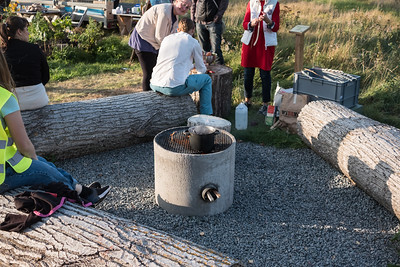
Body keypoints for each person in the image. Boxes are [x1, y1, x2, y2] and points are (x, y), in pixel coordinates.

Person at [0, 51, 110, 205]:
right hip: (3, 175)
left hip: (6, 161)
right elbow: (24, 145)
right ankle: (82, 195)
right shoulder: (4, 97)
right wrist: (34, 160)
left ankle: (79, 188)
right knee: (46, 170)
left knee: (45, 163)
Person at [150, 18, 213, 115]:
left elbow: (174, 62)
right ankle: (206, 115)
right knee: (207, 80)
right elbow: (201, 69)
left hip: (154, 83)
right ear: (192, 30)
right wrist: (201, 68)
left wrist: (192, 66)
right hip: (172, 87)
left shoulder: (167, 39)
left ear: (178, 30)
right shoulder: (193, 42)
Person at [128, 0, 192, 91]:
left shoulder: (175, 16)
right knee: (149, 72)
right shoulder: (165, 11)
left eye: (187, 7)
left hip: (154, 42)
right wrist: (169, 52)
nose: (184, 8)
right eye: (183, 4)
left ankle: (154, 95)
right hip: (143, 40)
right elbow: (159, 36)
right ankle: (146, 98)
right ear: (176, 1)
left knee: (157, 70)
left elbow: (172, 36)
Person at [0, 16, 50, 111]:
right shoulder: (35, 49)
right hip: (39, 100)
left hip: (13, 103)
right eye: (26, 30)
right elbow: (46, 76)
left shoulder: (2, 52)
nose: (28, 33)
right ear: (19, 31)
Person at [241, 0, 280, 115]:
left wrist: (268, 21)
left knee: (265, 74)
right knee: (248, 73)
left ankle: (265, 104)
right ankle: (247, 100)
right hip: (251, 42)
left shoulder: (274, 3)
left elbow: (276, 27)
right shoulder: (252, 2)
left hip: (266, 44)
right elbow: (245, 24)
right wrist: (251, 24)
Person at [191, 0, 228, 65]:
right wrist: (192, 20)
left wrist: (218, 16)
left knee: (216, 50)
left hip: (214, 21)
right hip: (199, 21)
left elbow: (224, 2)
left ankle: (221, 72)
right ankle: (205, 71)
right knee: (203, 50)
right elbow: (193, 3)